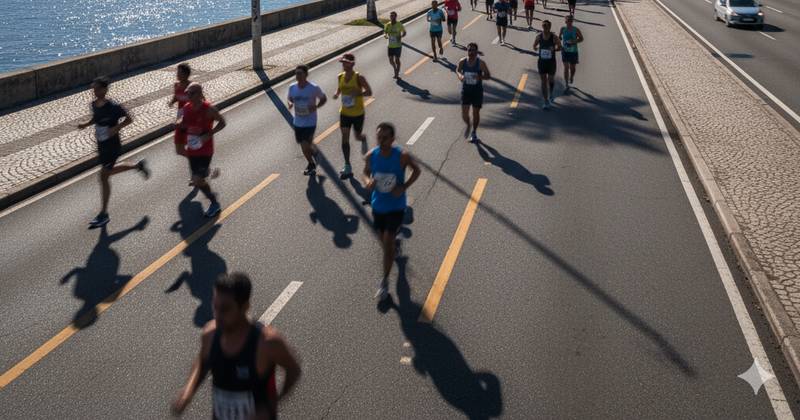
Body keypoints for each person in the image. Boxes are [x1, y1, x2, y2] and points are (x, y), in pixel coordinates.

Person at [172, 272, 302, 420]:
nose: (218, 315)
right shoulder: (210, 334)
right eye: (215, 307)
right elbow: (202, 361)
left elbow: (293, 369)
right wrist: (188, 390)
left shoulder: (266, 343)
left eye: (225, 309)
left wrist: (274, 402)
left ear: (245, 307)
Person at [77, 76, 149, 228]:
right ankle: (137, 166)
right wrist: (86, 124)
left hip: (112, 145)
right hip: (101, 145)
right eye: (93, 89)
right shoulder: (94, 105)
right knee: (108, 172)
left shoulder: (114, 107)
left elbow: (129, 119)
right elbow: (96, 119)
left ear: (104, 89)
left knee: (103, 176)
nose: (94, 91)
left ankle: (104, 214)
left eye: (97, 88)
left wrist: (115, 128)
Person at [363, 123, 421, 301]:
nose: (381, 141)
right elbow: (365, 172)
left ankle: (384, 282)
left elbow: (416, 171)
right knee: (385, 242)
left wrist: (403, 187)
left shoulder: (401, 156)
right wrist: (367, 181)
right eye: (379, 137)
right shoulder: (371, 155)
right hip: (378, 206)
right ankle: (394, 246)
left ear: (392, 139)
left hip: (396, 207)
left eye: (385, 137)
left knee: (387, 245)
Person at [177, 82, 226, 217]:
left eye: (191, 93)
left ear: (199, 94)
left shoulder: (209, 109)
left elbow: (222, 122)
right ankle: (205, 177)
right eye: (187, 93)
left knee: (197, 180)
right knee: (197, 179)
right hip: (192, 149)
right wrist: (180, 124)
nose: (188, 96)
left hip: (205, 150)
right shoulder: (186, 108)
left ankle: (214, 204)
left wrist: (209, 134)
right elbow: (183, 121)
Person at [332, 53, 372, 179]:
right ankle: (347, 165)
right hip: (344, 113)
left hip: (358, 113)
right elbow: (339, 89)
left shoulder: (359, 77)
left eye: (346, 62)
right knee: (345, 138)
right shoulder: (340, 76)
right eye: (342, 62)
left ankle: (363, 138)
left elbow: (369, 92)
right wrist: (336, 94)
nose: (344, 65)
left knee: (358, 136)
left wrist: (358, 94)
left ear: (352, 63)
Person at [287, 64, 327, 176]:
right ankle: (314, 155)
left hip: (310, 121)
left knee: (305, 145)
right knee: (305, 146)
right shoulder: (292, 87)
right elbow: (290, 98)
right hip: (298, 122)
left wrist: (316, 106)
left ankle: (311, 164)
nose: (298, 76)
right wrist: (290, 103)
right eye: (296, 74)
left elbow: (323, 99)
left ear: (306, 74)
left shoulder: (313, 88)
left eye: (300, 73)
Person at [456, 43, 491, 142]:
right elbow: (458, 70)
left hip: (477, 91)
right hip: (466, 90)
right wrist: (460, 76)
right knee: (464, 114)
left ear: (476, 52)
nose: (471, 52)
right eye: (469, 50)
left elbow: (488, 75)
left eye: (473, 50)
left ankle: (474, 132)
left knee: (476, 113)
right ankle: (468, 124)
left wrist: (479, 77)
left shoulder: (480, 63)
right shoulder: (462, 61)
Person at [533, 20, 560, 109]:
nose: (544, 28)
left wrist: (554, 49)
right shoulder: (539, 37)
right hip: (542, 62)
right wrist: (536, 48)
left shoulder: (554, 37)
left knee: (551, 80)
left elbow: (560, 47)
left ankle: (551, 93)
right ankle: (546, 101)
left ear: (549, 27)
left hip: (551, 62)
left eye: (546, 26)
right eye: (543, 26)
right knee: (543, 81)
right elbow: (534, 46)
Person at [169, 63, 192, 156]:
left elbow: (202, 100)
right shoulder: (176, 85)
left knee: (190, 143)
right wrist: (172, 102)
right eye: (177, 72)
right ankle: (195, 160)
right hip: (180, 115)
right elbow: (176, 96)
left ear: (186, 74)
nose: (177, 75)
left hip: (190, 116)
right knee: (179, 149)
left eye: (179, 73)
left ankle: (197, 161)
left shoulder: (192, 86)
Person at [559, 14, 583, 89]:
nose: (569, 22)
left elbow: (581, 39)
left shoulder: (576, 29)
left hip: (573, 51)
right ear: (565, 21)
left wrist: (574, 41)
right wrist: (559, 43)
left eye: (570, 21)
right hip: (565, 51)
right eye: (567, 21)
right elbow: (559, 37)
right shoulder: (563, 29)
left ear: (572, 21)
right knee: (566, 67)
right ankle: (566, 83)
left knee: (572, 68)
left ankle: (571, 76)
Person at [384, 12, 406, 79]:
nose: (391, 17)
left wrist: (401, 36)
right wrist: (385, 35)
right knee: (390, 60)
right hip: (390, 46)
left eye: (393, 16)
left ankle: (396, 73)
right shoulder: (387, 25)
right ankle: (395, 69)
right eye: (390, 16)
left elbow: (404, 32)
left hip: (398, 46)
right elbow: (385, 32)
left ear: (396, 17)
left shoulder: (399, 24)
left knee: (397, 60)